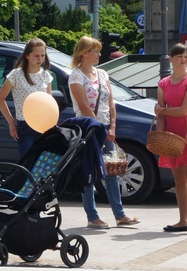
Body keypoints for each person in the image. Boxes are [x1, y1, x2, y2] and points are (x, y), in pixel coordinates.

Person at [69, 36, 139, 229]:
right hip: (88, 129)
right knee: (89, 172)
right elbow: (83, 106)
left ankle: (120, 215)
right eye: (96, 51)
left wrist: (112, 127)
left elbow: (111, 103)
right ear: (85, 53)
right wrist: (98, 128)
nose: (100, 54)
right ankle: (92, 216)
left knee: (112, 171)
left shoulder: (102, 74)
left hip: (106, 127)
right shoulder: (75, 76)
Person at [155, 43, 187, 235]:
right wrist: (161, 135)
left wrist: (163, 110)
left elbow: (184, 110)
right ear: (171, 59)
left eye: (186, 56)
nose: (183, 59)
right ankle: (183, 220)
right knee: (178, 180)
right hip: (171, 132)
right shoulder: (163, 84)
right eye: (179, 56)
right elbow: (159, 113)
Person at [0, 38, 53, 156]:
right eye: (36, 56)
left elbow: (49, 102)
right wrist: (11, 123)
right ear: (27, 55)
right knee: (27, 164)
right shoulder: (16, 74)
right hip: (25, 126)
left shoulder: (46, 75)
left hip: (44, 126)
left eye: (43, 55)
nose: (40, 59)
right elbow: (0, 99)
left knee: (42, 165)